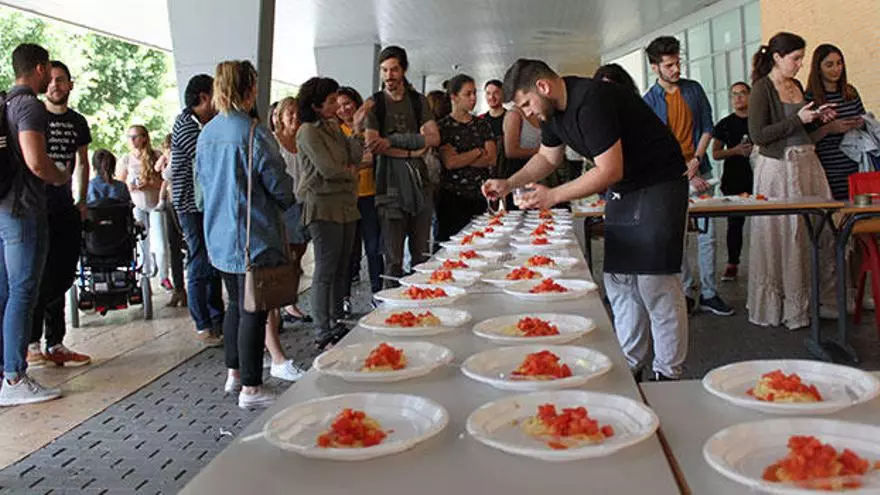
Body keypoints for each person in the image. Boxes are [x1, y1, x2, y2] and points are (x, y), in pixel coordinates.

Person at [483, 58, 689, 381]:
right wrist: (508, 183)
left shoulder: (592, 101)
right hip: (626, 187)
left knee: (655, 283)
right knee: (619, 281)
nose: (528, 114)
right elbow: (547, 157)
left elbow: (609, 170)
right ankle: (631, 362)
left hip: (660, 181)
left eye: (526, 104)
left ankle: (668, 372)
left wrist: (553, 196)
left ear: (543, 87)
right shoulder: (551, 112)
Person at [196, 60, 295, 409]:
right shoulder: (254, 132)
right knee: (255, 309)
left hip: (218, 235)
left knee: (236, 304)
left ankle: (234, 373)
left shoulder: (207, 132)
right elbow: (278, 184)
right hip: (253, 237)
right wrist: (289, 200)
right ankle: (251, 388)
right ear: (249, 89)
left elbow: (200, 189)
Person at [747, 32, 838, 330]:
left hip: (807, 162)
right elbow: (759, 135)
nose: (800, 64)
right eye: (795, 58)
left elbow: (800, 129)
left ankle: (817, 300)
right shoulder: (762, 88)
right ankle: (785, 305)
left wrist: (818, 118)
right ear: (777, 57)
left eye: (801, 58)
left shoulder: (796, 86)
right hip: (780, 168)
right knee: (785, 234)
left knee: (816, 231)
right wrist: (799, 119)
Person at [643, 36, 733, 318]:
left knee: (708, 235)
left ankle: (709, 293)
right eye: (669, 65)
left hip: (700, 167)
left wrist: (695, 160)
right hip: (671, 176)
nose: (676, 69)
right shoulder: (649, 101)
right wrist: (684, 171)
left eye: (677, 63)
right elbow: (655, 144)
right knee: (677, 235)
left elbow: (707, 127)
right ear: (655, 67)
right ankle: (685, 290)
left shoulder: (693, 89)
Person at [0, 43, 70, 406]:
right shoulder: (29, 106)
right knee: (23, 291)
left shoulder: (5, 103)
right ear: (40, 68)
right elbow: (35, 161)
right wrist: (60, 176)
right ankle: (15, 377)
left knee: (5, 292)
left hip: (3, 207)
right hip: (23, 210)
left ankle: (5, 372)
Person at [26, 60, 92, 368]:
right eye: (51, 79)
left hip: (66, 206)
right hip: (38, 208)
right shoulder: (34, 117)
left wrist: (82, 199)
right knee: (40, 275)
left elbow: (83, 162)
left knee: (64, 274)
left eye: (61, 79)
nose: (55, 84)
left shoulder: (78, 121)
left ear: (70, 85)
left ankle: (55, 342)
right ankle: (32, 342)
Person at [361, 46, 440, 287]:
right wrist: (412, 149)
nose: (389, 76)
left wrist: (393, 141)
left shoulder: (418, 101)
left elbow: (434, 138)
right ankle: (389, 304)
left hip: (419, 184)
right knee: (393, 259)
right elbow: (373, 144)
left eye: (394, 69)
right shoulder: (375, 103)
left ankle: (419, 299)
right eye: (384, 70)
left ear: (403, 70)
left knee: (421, 256)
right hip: (389, 188)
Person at [296, 77, 363, 350]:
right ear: (316, 105)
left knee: (341, 267)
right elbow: (329, 168)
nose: (338, 105)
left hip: (345, 205)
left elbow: (355, 157)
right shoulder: (308, 131)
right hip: (323, 207)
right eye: (332, 101)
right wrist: (350, 173)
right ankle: (322, 330)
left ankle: (336, 321)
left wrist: (355, 131)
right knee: (325, 269)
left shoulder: (334, 127)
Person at [171, 74, 224, 347]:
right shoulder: (186, 126)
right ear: (204, 97)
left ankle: (217, 319)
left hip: (205, 204)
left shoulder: (200, 125)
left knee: (211, 262)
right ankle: (203, 323)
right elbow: (209, 158)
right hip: (191, 207)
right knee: (199, 261)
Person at [261, 95, 307, 382]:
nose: (294, 117)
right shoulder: (272, 142)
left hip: (301, 206)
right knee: (279, 270)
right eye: (288, 113)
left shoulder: (302, 140)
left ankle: (286, 305)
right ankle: (275, 320)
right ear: (277, 116)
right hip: (282, 210)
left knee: (295, 264)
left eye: (296, 112)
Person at [436, 74, 496, 241]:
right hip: (452, 197)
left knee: (480, 241)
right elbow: (450, 162)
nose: (473, 98)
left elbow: (491, 158)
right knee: (450, 243)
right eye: (468, 94)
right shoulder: (443, 127)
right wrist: (477, 151)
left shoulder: (482, 124)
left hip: (480, 194)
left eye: (474, 93)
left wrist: (461, 158)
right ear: (454, 97)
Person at [338, 87, 384, 301]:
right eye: (338, 105)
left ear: (356, 104)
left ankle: (377, 291)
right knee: (348, 250)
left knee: (373, 246)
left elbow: (374, 158)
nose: (343, 109)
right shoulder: (335, 131)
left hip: (369, 194)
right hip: (347, 197)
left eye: (347, 103)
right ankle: (344, 297)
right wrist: (359, 161)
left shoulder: (370, 127)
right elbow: (342, 164)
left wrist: (354, 164)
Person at [806, 44, 866, 200]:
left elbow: (864, 119)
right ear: (818, 68)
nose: (836, 69)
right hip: (828, 170)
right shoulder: (809, 99)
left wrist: (861, 123)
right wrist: (828, 129)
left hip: (857, 167)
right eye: (829, 65)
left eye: (839, 63)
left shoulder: (850, 92)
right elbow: (805, 140)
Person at [118, 125, 171, 293]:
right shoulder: (126, 159)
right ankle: (145, 275)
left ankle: (164, 276)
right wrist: (130, 187)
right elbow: (120, 184)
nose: (132, 140)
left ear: (144, 138)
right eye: (130, 137)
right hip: (137, 205)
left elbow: (165, 181)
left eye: (135, 136)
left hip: (156, 204)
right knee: (142, 243)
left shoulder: (156, 156)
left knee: (161, 243)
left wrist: (148, 183)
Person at [712, 82, 754, 282]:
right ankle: (732, 263)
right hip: (734, 178)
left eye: (742, 93)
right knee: (735, 223)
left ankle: (767, 263)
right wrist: (735, 151)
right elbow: (716, 153)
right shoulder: (725, 124)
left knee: (766, 222)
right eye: (734, 94)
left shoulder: (759, 120)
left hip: (758, 175)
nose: (738, 98)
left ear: (750, 96)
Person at [155, 133, 187, 307]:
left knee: (177, 246)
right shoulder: (172, 155)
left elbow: (167, 175)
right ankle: (179, 289)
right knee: (174, 246)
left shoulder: (176, 154)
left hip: (177, 202)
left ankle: (181, 289)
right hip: (173, 201)